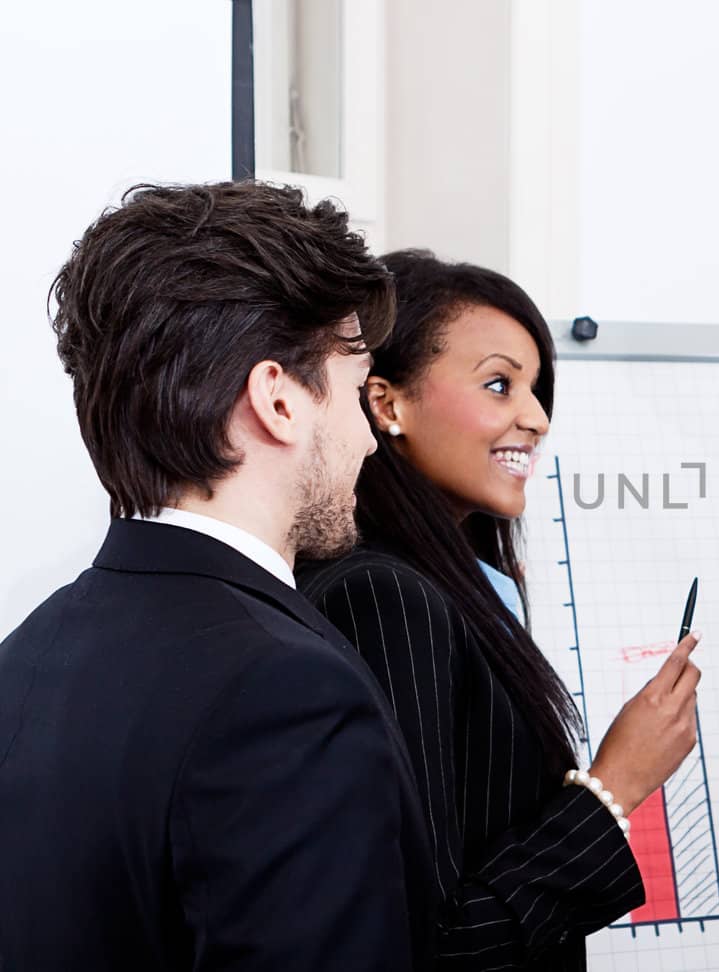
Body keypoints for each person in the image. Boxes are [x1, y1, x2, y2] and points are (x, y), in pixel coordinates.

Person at [0, 183, 435, 970]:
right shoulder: (286, 694)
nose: (370, 440)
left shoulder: (26, 656)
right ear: (277, 399)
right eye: (352, 384)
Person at [297, 250, 701, 970]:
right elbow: (437, 942)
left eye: (536, 391)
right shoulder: (384, 599)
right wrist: (615, 786)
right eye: (498, 384)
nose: (537, 419)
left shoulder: (459, 587)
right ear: (386, 403)